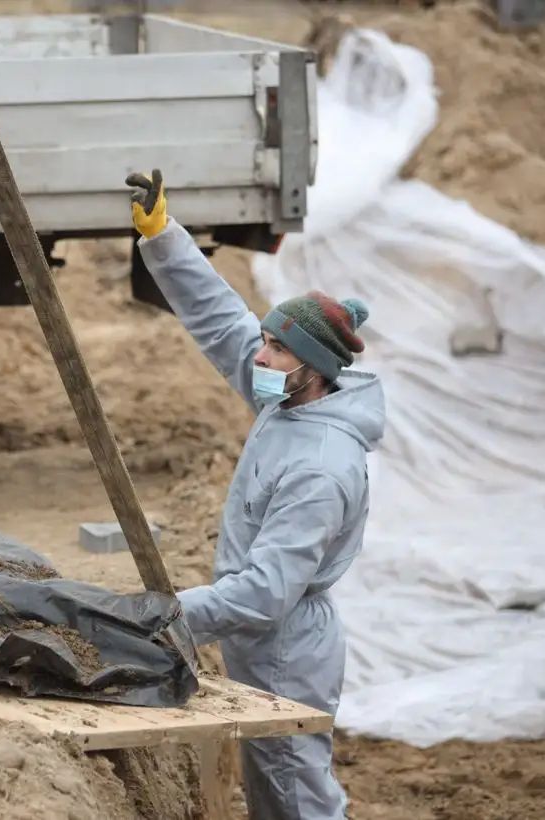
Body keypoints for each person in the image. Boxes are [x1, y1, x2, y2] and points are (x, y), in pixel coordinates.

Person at [127, 169, 386, 819]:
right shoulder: (290, 397)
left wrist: (165, 614)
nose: (259, 357)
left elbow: (268, 590)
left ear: (313, 368)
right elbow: (221, 322)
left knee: (297, 796)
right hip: (259, 639)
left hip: (285, 653)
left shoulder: (319, 469)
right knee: (274, 794)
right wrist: (163, 237)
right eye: (267, 342)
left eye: (274, 348)